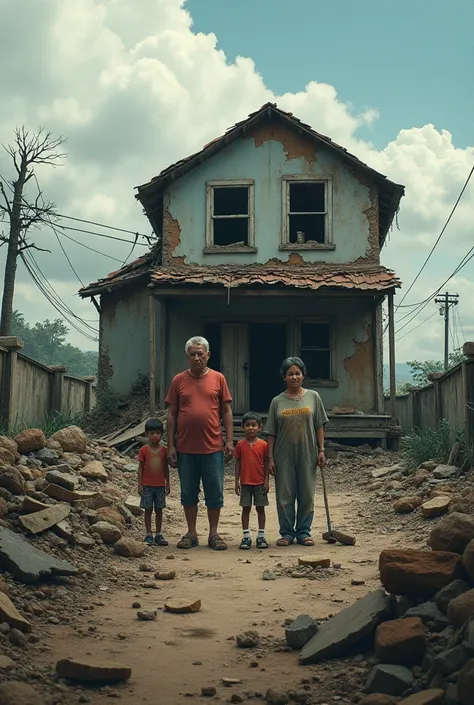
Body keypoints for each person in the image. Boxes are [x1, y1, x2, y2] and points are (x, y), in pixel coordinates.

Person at [166, 336, 234, 551]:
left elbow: (226, 411)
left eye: (200, 354)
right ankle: (191, 532)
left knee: (214, 492)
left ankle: (214, 534)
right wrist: (171, 446)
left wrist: (230, 441)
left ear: (208, 355)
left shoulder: (218, 378)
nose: (197, 358)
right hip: (185, 448)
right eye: (193, 354)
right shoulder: (178, 380)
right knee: (188, 492)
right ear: (187, 356)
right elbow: (172, 413)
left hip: (213, 447)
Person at [264, 356, 328, 547]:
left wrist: (322, 450)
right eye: (290, 374)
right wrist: (270, 458)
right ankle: (286, 533)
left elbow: (319, 426)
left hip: (308, 453)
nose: (294, 377)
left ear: (303, 375)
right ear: (284, 377)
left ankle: (303, 532)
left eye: (297, 373)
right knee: (285, 495)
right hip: (283, 455)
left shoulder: (313, 397)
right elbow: (270, 433)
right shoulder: (277, 401)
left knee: (307, 494)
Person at [234, 411, 270, 550]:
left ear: (259, 427)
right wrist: (236, 481)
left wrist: (267, 480)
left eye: (254, 425)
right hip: (245, 483)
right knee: (246, 509)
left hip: (260, 482)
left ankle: (261, 536)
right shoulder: (240, 445)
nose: (251, 428)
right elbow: (237, 463)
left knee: (260, 508)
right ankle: (246, 536)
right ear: (243, 427)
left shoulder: (263, 445)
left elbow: (266, 464)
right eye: (247, 425)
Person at [137, 418, 170, 546]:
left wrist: (168, 483)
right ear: (146, 435)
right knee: (148, 509)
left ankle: (159, 534)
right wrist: (140, 484)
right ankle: (148, 534)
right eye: (151, 433)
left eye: (157, 432)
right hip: (147, 486)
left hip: (160, 486)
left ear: (161, 434)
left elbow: (166, 468)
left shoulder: (164, 450)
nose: (155, 435)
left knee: (159, 509)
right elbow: (140, 468)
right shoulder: (144, 450)